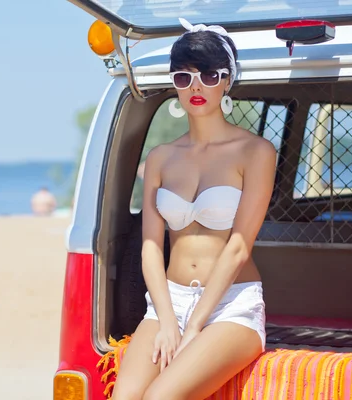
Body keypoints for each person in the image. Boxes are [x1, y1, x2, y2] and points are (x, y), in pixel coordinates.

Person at [111, 18, 277, 400]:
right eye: (183, 77)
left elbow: (238, 247)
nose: (196, 86)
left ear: (227, 80)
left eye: (208, 74)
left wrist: (194, 326)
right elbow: (151, 246)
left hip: (230, 306)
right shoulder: (161, 158)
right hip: (168, 300)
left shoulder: (255, 152)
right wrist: (168, 319)